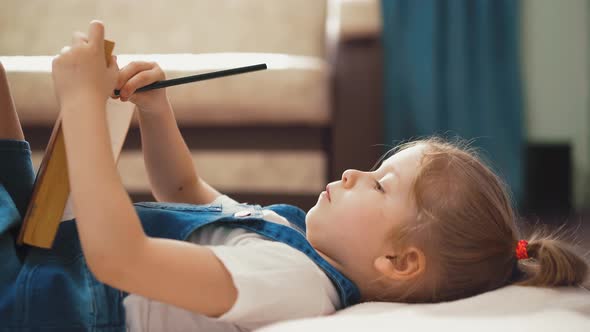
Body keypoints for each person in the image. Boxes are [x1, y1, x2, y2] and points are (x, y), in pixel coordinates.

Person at [0, 21, 587, 331]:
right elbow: (183, 193)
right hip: (45, 244)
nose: (355, 171)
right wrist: (156, 113)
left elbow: (118, 259)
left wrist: (79, 106)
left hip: (31, 294)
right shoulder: (293, 236)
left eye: (380, 183)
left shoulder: (291, 280)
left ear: (399, 262)